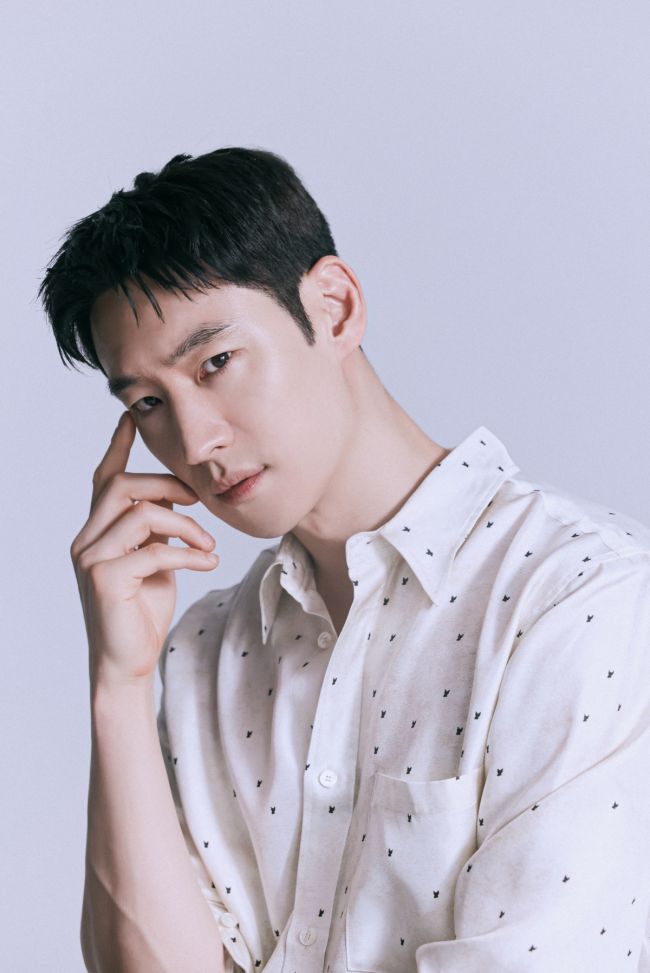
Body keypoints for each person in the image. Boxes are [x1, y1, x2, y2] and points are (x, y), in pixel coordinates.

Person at [39, 147, 650, 973]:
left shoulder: (578, 603)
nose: (195, 441)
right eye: (148, 403)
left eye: (215, 363)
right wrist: (118, 685)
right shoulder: (205, 652)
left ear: (334, 307)